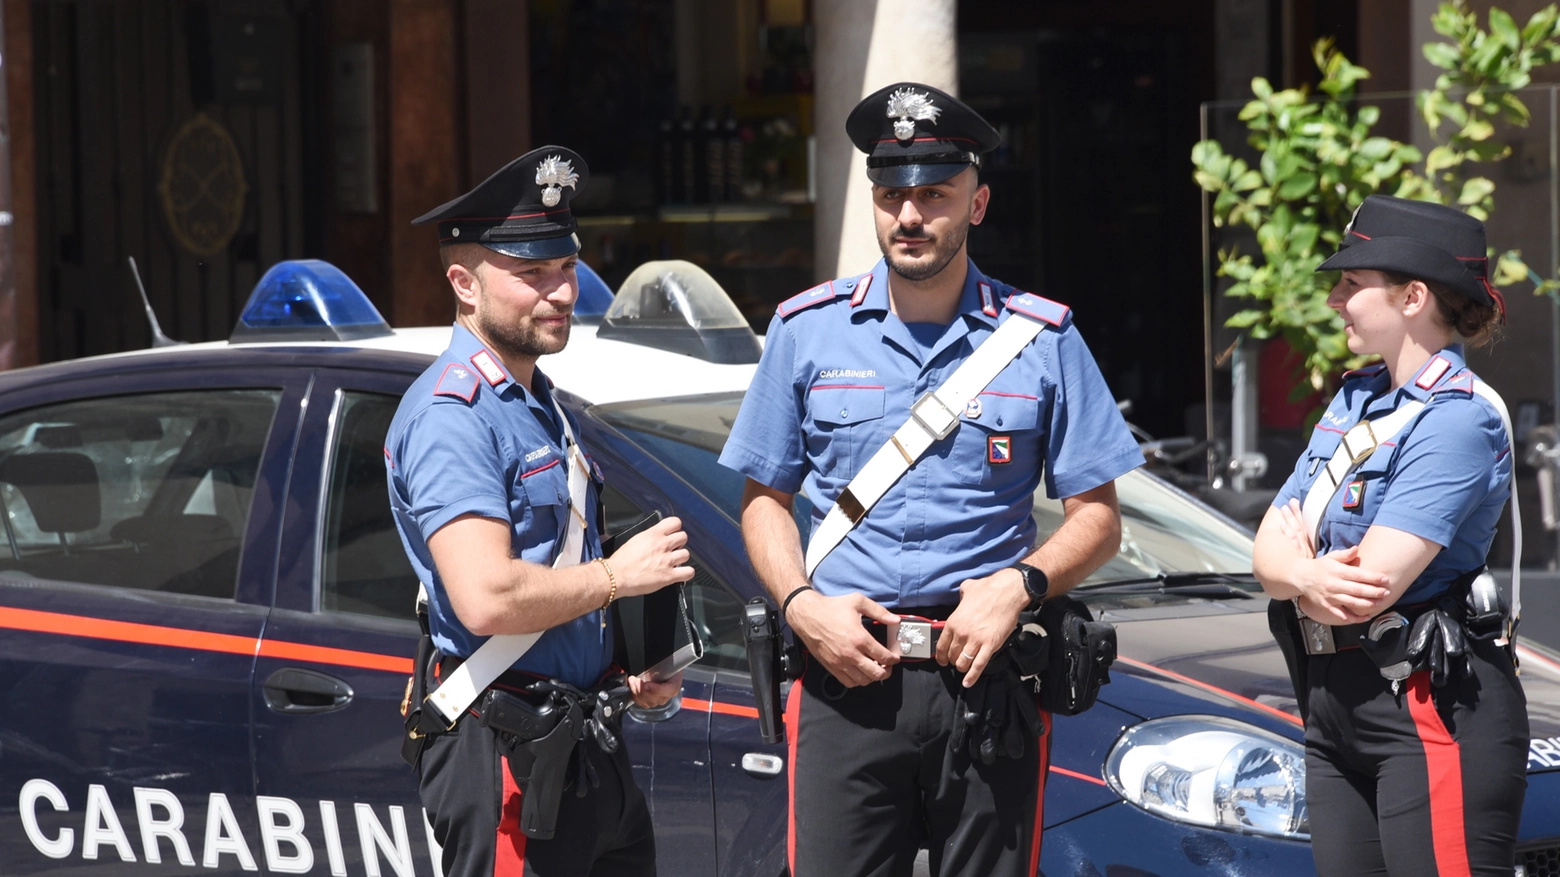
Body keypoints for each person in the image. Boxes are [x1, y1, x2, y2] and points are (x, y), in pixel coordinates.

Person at [718, 82, 1144, 877]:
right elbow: (763, 502)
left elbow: (1099, 519)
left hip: (986, 682)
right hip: (846, 678)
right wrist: (802, 607)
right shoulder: (805, 331)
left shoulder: (1042, 338)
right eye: (891, 196)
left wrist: (1019, 585)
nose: (909, 216)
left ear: (977, 203)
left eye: (934, 196)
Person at [386, 146, 694, 877]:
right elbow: (487, 595)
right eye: (531, 274)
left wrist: (624, 665)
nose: (561, 291)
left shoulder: (535, 398)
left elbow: (559, 562)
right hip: (506, 750)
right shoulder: (452, 414)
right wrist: (618, 580)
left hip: (582, 736)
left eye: (565, 266)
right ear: (463, 283)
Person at [1252, 195, 1529, 876]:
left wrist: (1303, 574)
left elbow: (1368, 589)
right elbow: (1264, 549)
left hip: (1426, 703)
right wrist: (1308, 577)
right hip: (1333, 697)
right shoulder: (1356, 399)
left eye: (1352, 283)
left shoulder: (1458, 420)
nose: (1334, 300)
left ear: (1412, 296)